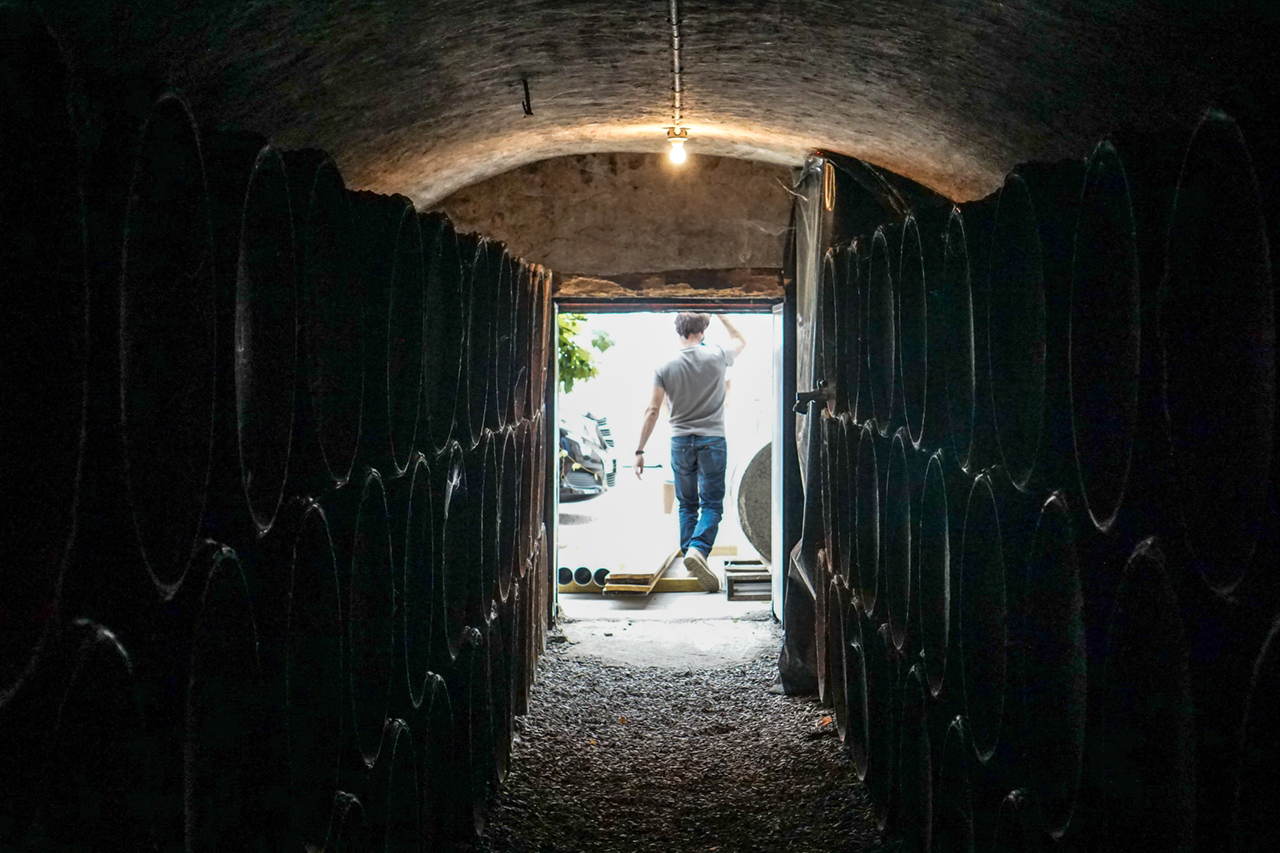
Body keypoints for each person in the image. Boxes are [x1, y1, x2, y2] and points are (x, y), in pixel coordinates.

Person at [633, 312, 746, 592]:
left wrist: (639, 450)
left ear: (678, 329)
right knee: (711, 505)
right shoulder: (718, 355)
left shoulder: (665, 365)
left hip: (680, 442)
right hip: (713, 440)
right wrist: (721, 312)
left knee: (687, 504)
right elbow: (741, 340)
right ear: (703, 328)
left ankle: (691, 556)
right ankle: (698, 549)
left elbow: (653, 410)